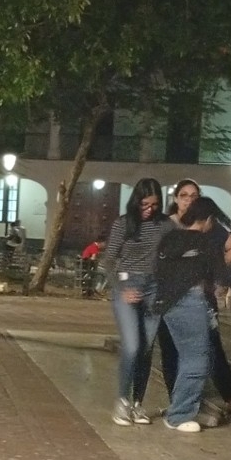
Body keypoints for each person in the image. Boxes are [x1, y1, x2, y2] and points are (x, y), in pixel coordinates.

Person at [150, 181, 231, 419]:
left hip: (193, 298)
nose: (188, 200)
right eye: (184, 195)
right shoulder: (168, 227)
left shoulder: (205, 229)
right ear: (176, 198)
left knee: (207, 350)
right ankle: (179, 406)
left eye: (194, 196)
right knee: (178, 353)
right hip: (175, 299)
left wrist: (207, 270)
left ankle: (218, 399)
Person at [101, 178, 169, 426]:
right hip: (127, 285)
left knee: (146, 349)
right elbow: (108, 260)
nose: (149, 209)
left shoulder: (165, 225)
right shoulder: (124, 223)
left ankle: (138, 403)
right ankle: (122, 402)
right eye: (145, 204)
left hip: (154, 288)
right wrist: (122, 288)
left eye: (154, 205)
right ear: (136, 201)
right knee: (131, 346)